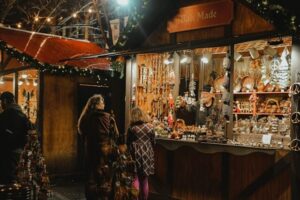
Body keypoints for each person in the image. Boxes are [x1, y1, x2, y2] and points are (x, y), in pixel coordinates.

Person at [78, 94, 121, 200]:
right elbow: (116, 134)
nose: (104, 104)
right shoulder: (108, 117)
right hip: (104, 154)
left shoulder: (85, 117)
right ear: (97, 104)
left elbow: (82, 132)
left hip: (90, 153)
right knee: (105, 180)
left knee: (91, 180)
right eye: (102, 102)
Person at [0, 91, 31, 184]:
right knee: (18, 180)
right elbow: (30, 130)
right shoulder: (23, 115)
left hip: (7, 154)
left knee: (7, 180)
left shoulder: (5, 115)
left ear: (5, 101)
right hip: (21, 153)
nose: (1, 104)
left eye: (1, 102)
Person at [127, 107, 155, 200]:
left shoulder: (132, 128)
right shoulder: (150, 127)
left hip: (134, 154)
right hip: (147, 154)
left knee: (135, 178)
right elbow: (153, 142)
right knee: (144, 179)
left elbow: (128, 143)